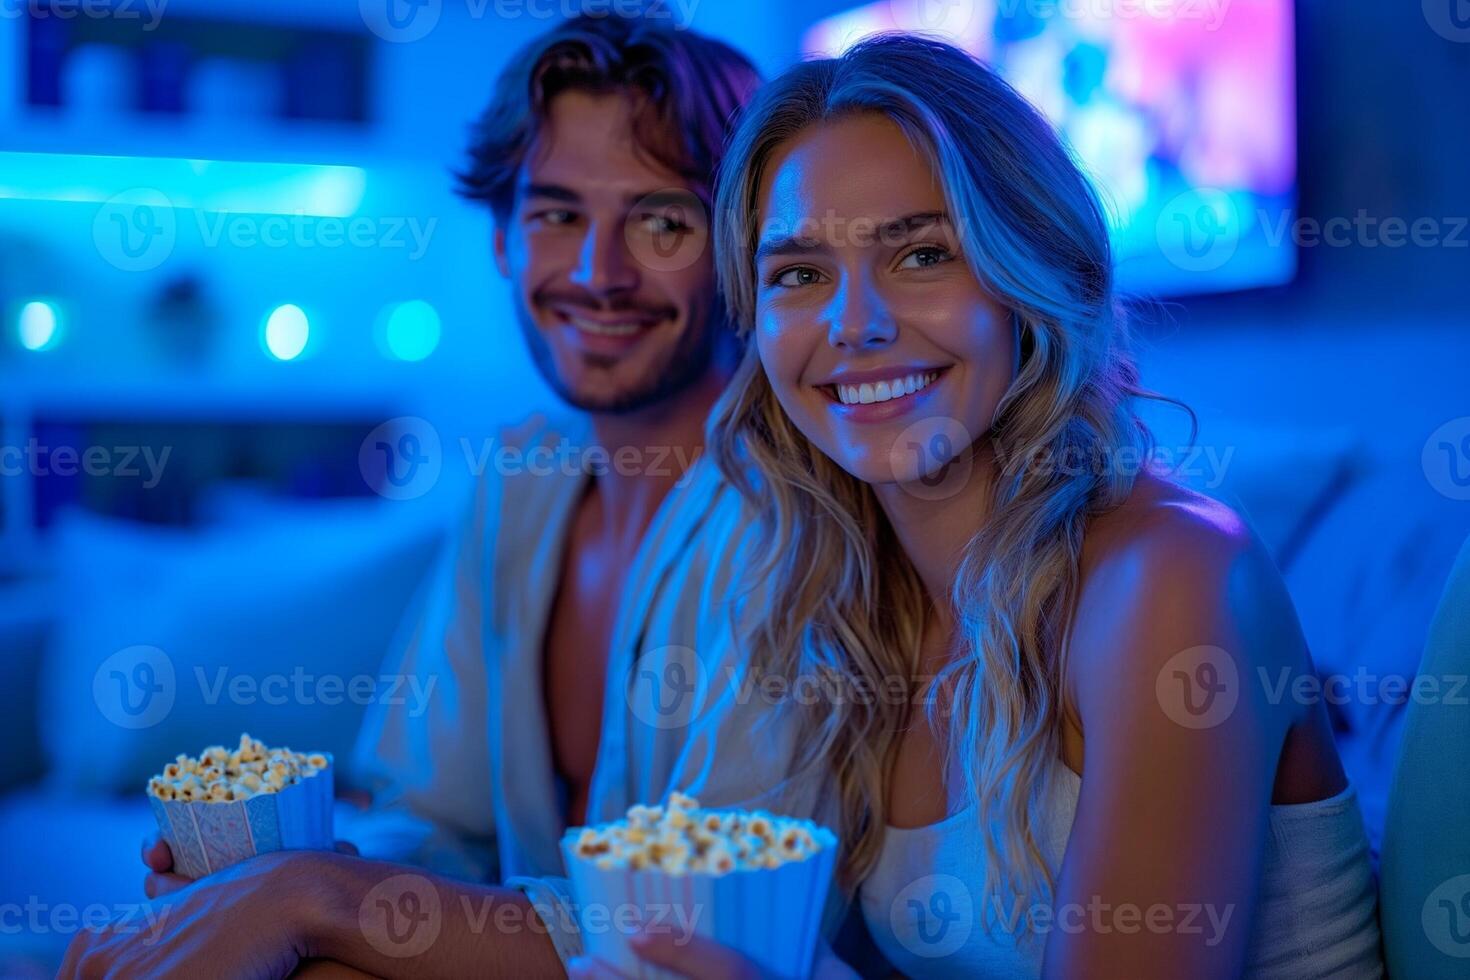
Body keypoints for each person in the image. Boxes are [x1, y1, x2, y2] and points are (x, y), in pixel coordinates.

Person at [591, 33, 1384, 979]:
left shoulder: (1171, 582)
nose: (855, 325)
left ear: (1030, 279)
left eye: (922, 254)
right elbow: (682, 921)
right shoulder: (837, 607)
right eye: (799, 274)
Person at [62, 14, 803, 978]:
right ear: (503, 237)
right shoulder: (520, 484)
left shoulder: (795, 513)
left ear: (739, 245)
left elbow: (711, 923)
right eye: (556, 215)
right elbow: (429, 822)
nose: (597, 273)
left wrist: (309, 898)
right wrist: (280, 879)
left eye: (662, 220)